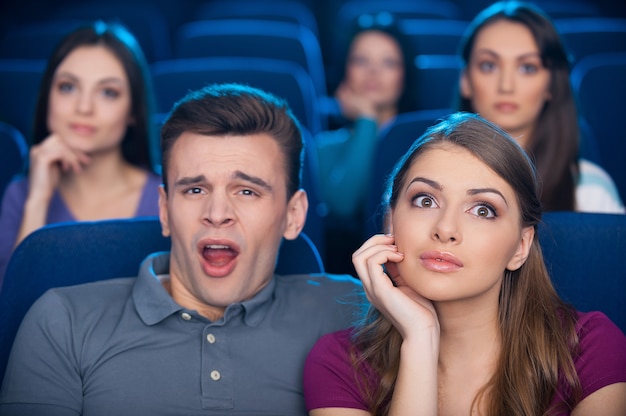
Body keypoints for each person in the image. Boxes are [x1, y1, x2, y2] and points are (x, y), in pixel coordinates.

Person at [0, 83, 363, 415]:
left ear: (293, 215)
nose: (217, 214)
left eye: (247, 191)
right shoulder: (62, 321)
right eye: (195, 190)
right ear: (164, 210)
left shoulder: (352, 310)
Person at [303, 112, 626, 415]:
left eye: (483, 210)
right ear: (390, 223)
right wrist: (420, 338)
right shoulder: (340, 362)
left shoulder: (592, 348)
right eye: (425, 200)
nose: (445, 229)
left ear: (520, 247)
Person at [0, 21, 161, 284]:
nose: (84, 107)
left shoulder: (167, 197)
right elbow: (9, 312)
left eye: (108, 92)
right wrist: (38, 200)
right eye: (68, 87)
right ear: (47, 97)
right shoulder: (21, 194)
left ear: (133, 111)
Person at [456, 1, 624, 213]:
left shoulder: (590, 191)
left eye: (527, 68)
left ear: (551, 85)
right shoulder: (432, 179)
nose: (506, 85)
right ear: (466, 80)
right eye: (489, 65)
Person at [316, 19, 417, 273]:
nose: (373, 72)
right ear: (344, 70)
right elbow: (344, 203)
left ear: (405, 75)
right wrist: (368, 120)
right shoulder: (325, 146)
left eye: (388, 62)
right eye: (361, 61)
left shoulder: (427, 143)